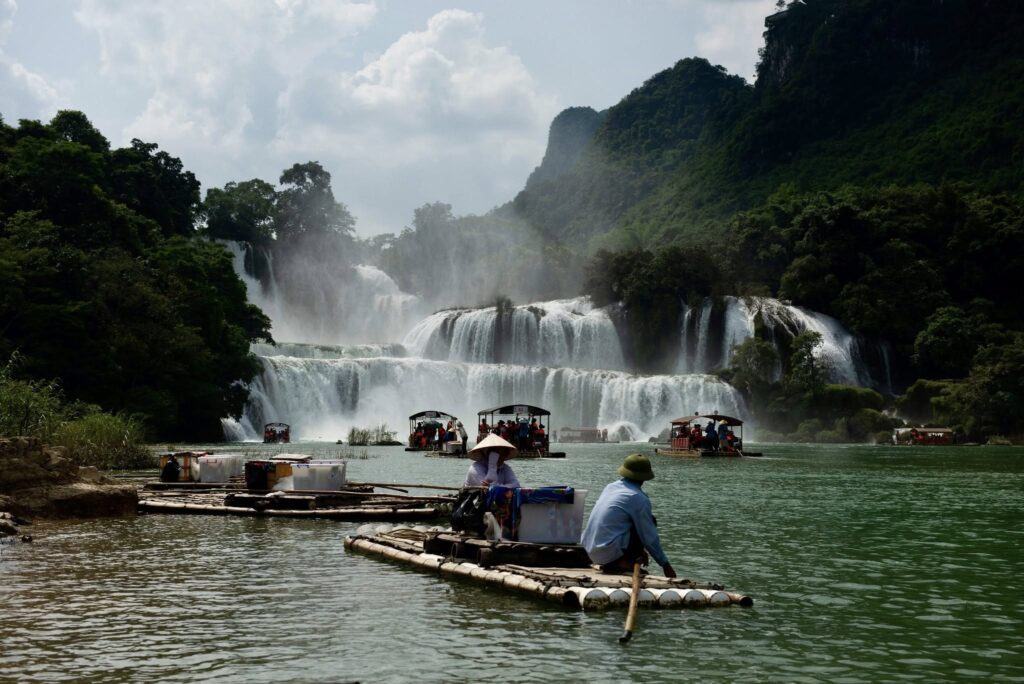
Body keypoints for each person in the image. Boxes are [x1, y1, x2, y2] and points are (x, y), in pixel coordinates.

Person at [580, 454, 677, 578]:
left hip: (591, 551)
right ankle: (624, 563)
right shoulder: (638, 498)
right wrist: (665, 566)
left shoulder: (610, 487)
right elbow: (649, 537)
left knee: (633, 520)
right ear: (645, 477)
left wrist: (640, 551)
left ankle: (622, 560)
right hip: (609, 554)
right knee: (649, 521)